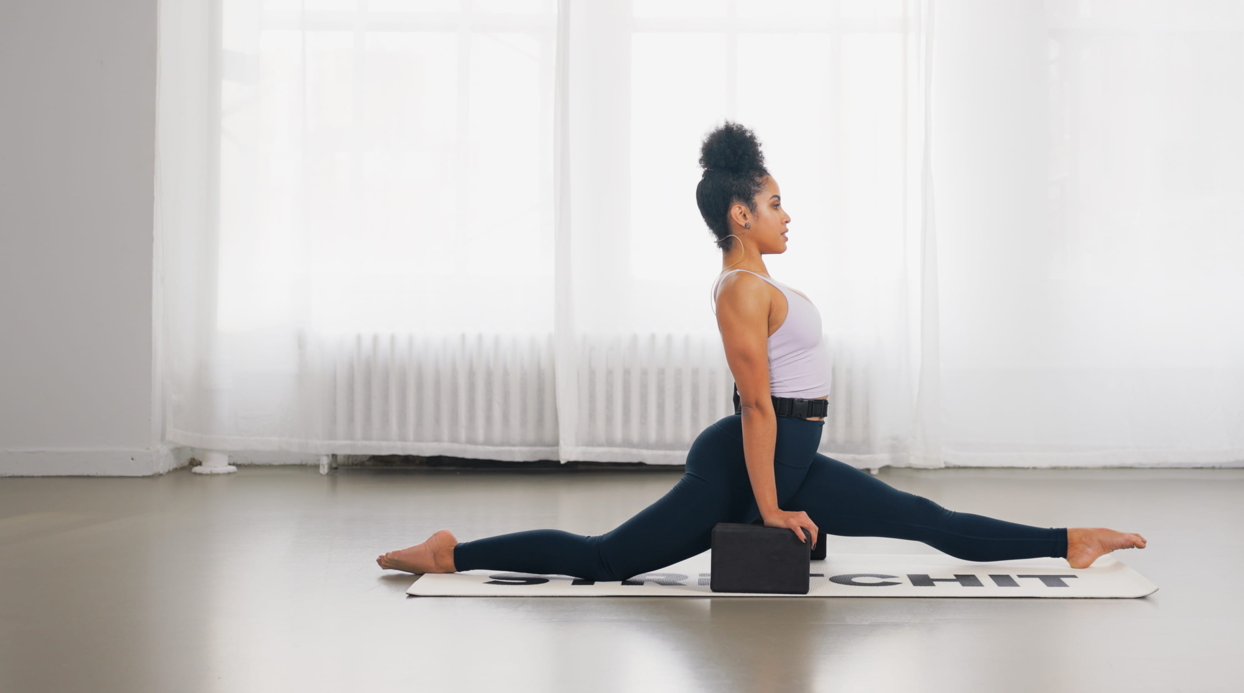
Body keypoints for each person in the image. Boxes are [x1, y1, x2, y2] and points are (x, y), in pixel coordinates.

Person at [377, 122, 1146, 578]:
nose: (787, 213)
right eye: (774, 203)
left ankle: (1070, 541)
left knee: (921, 516)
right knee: (607, 557)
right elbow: (754, 403)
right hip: (760, 457)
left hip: (790, 455)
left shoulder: (756, 280)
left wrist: (784, 487)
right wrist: (773, 506)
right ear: (741, 213)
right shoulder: (742, 290)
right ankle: (452, 553)